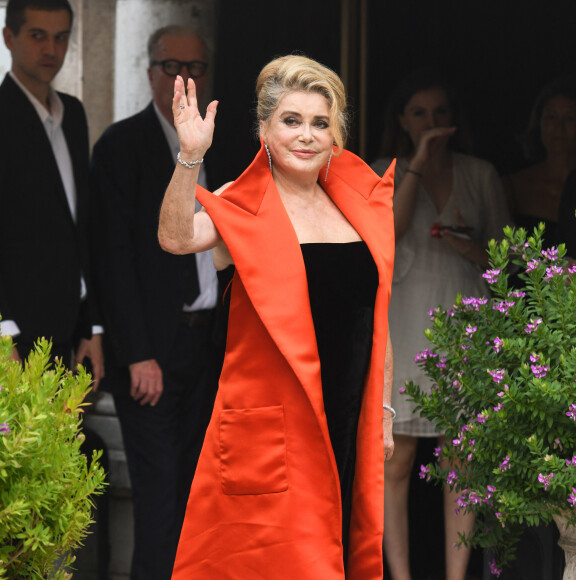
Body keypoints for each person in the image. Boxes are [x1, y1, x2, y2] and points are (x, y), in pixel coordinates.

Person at [157, 55, 395, 579]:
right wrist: (190, 156)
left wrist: (382, 411)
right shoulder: (241, 205)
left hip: (348, 421)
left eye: (319, 123)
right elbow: (175, 238)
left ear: (336, 136)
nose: (306, 135)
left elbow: (375, 316)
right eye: (291, 120)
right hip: (274, 434)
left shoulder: (357, 207)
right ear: (263, 129)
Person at [90, 24, 224, 580]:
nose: (184, 79)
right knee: (160, 498)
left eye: (195, 68)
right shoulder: (122, 146)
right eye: (173, 67)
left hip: (211, 344)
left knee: (203, 494)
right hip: (152, 354)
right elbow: (110, 258)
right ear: (150, 73)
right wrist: (137, 352)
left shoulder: (227, 142)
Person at [372, 69, 511, 580]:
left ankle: (457, 575)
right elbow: (390, 230)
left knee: (462, 458)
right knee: (398, 459)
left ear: (454, 119)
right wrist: (416, 165)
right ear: (402, 121)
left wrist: (469, 245)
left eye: (440, 113)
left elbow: (504, 259)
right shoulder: (383, 170)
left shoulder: (481, 173)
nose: (431, 122)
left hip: (465, 321)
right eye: (419, 113)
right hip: (404, 325)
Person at [0, 1, 108, 578]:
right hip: (13, 334)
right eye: (37, 36)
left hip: (68, 331)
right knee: (17, 481)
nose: (51, 49)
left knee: (61, 473)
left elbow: (79, 229)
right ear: (8, 36)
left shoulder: (75, 115)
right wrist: (4, 332)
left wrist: (91, 327)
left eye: (61, 37)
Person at [502, 75, 576, 249]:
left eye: (569, 118)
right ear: (539, 122)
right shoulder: (513, 187)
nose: (559, 128)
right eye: (551, 117)